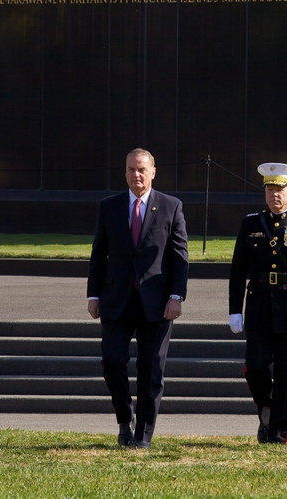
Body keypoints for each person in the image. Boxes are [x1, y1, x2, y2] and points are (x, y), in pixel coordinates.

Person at [86, 148, 188, 448]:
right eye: (131, 169)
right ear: (125, 172)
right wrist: (93, 295)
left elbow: (180, 257)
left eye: (142, 169)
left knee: (151, 370)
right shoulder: (110, 206)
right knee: (112, 360)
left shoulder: (171, 206)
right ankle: (123, 418)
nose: (136, 175)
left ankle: (142, 435)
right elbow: (98, 254)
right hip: (116, 300)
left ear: (153, 172)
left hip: (157, 304)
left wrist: (176, 296)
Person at [227, 163, 287, 445]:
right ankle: (268, 409)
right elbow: (238, 270)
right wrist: (235, 309)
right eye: (270, 189)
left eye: (280, 190)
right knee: (255, 367)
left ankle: (279, 434)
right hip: (258, 303)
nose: (275, 195)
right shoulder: (250, 224)